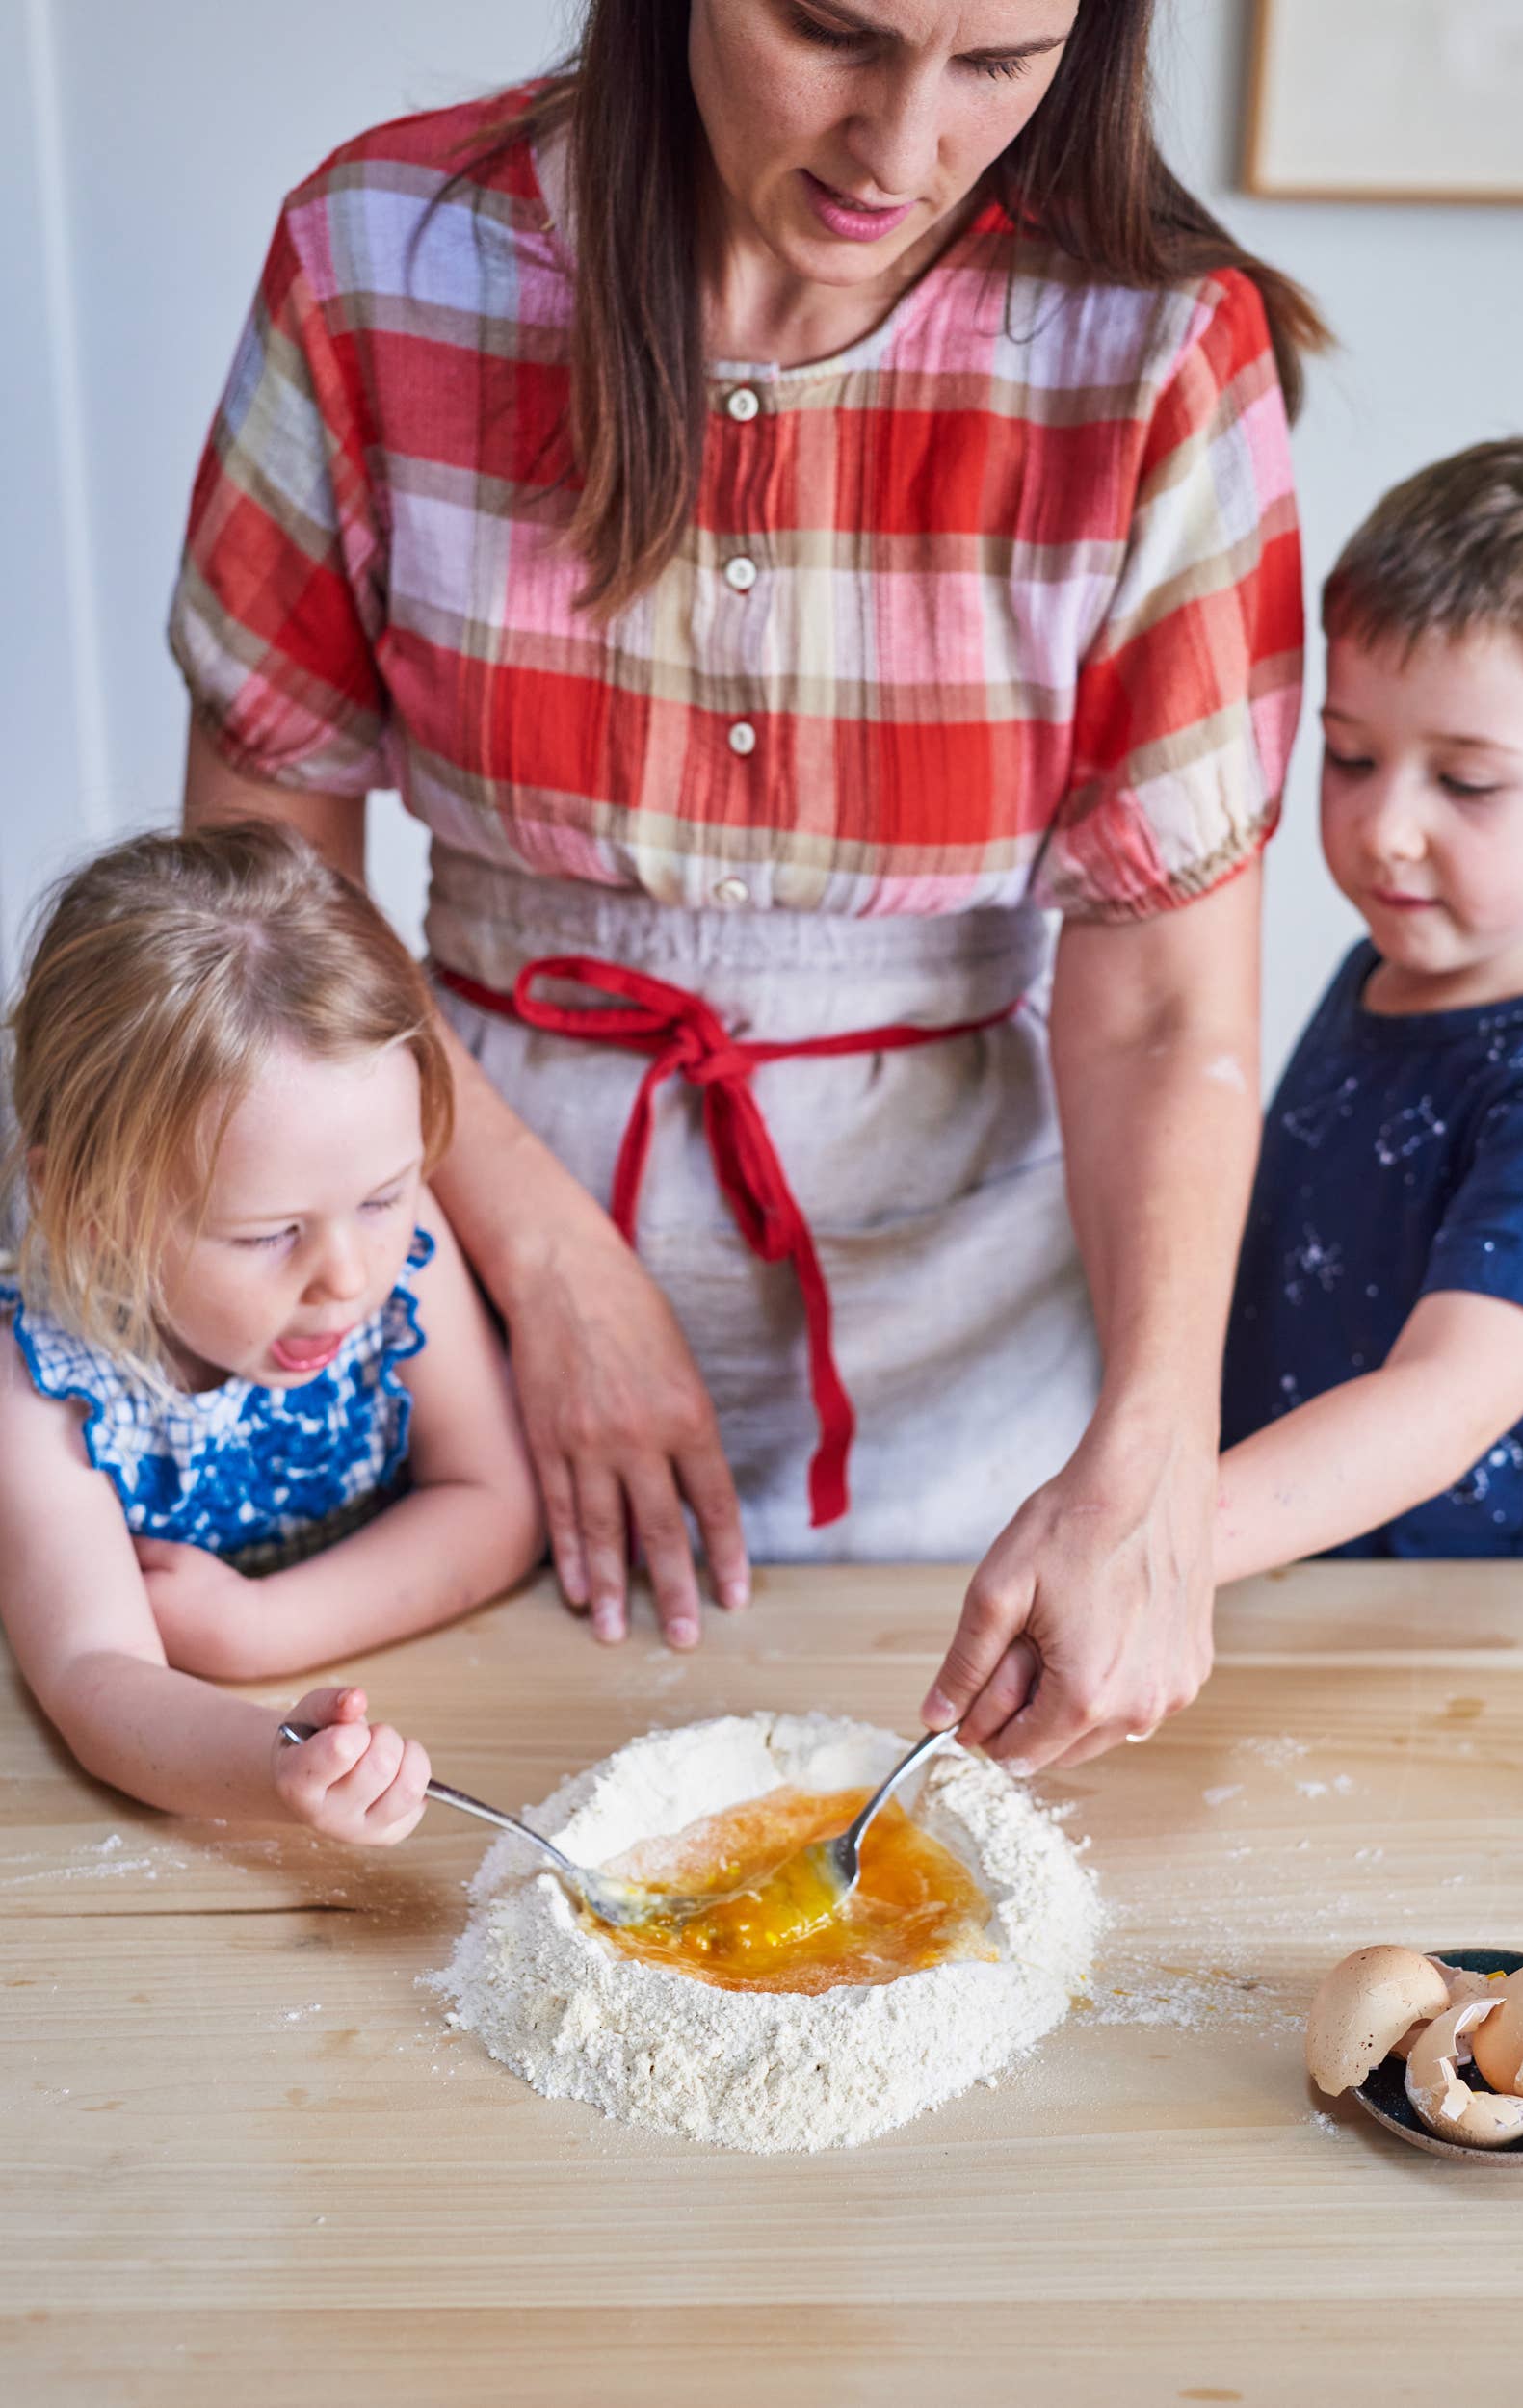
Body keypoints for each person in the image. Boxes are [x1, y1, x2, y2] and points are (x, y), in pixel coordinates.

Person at [170, 0, 1326, 1771]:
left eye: (997, 65)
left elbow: (1167, 1012)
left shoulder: (1159, 351)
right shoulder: (379, 262)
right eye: (831, 34)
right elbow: (264, 886)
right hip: (455, 1289)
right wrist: (545, 1264)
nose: (898, 147)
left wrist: (1151, 1466)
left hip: (972, 1361)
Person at [0, 825, 541, 1842]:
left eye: (385, 1198)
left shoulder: (402, 1252)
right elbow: (94, 1676)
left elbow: (499, 1507)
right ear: (88, 1205)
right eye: (268, 1234)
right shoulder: (42, 1388)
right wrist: (271, 1766)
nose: (347, 1275)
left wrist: (265, 1625)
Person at [1217, 438, 1523, 1572]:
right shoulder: (1370, 973)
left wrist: (1160, 1539)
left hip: (1451, 1637)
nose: (1385, 827)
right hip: (1283, 1586)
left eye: (1466, 781)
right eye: (1349, 756)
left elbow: (1447, 1398)